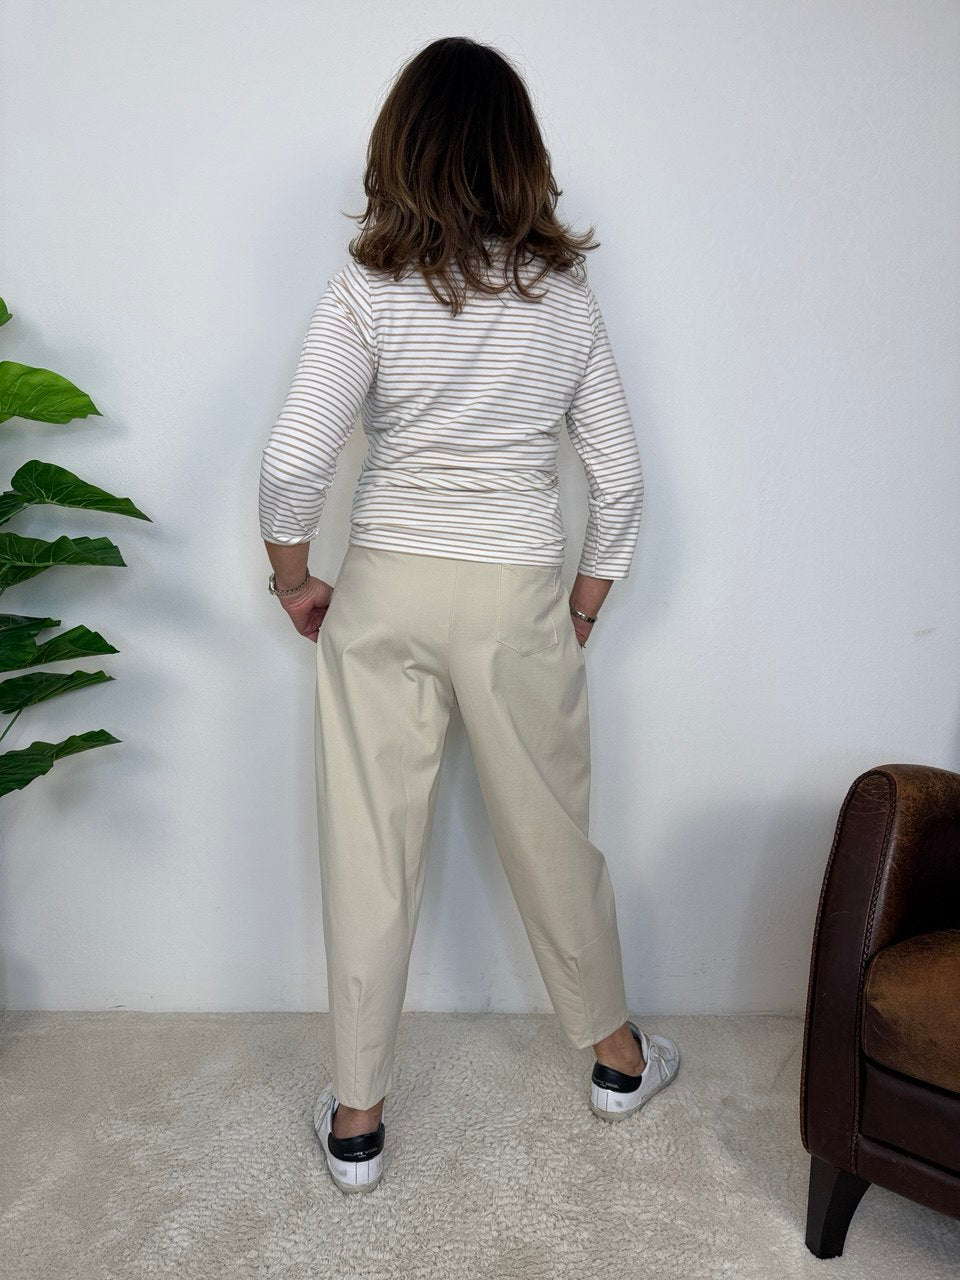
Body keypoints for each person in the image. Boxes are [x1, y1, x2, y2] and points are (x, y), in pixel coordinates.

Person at [258, 35, 680, 1195]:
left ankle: (357, 1118)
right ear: (517, 156)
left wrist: (295, 579)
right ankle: (617, 1059)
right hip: (514, 591)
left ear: (399, 148)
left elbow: (293, 461)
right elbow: (621, 478)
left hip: (384, 582)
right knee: (550, 831)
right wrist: (585, 599)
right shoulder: (565, 299)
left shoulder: (364, 290)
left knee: (368, 845)